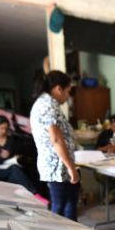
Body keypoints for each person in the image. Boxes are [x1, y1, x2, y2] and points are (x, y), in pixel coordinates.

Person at [30, 70, 81, 221]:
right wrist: (71, 168)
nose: (68, 96)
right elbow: (56, 140)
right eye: (68, 91)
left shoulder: (47, 103)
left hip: (60, 165)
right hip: (57, 167)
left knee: (69, 203)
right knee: (59, 208)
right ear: (58, 89)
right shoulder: (47, 105)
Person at [0, 115, 48, 204]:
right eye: (1, 128)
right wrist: (0, 157)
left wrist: (15, 158)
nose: (3, 131)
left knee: (17, 170)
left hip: (6, 167)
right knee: (14, 170)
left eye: (5, 128)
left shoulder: (9, 139)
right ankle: (34, 194)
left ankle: (30, 195)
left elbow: (11, 155)